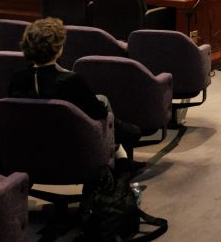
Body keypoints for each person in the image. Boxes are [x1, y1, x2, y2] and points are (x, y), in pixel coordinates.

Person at [9, 18, 140, 161]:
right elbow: (99, 113)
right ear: (58, 49)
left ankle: (121, 152)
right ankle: (122, 151)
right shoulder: (70, 81)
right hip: (74, 145)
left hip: (30, 146)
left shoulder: (17, 79)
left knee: (101, 100)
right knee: (103, 105)